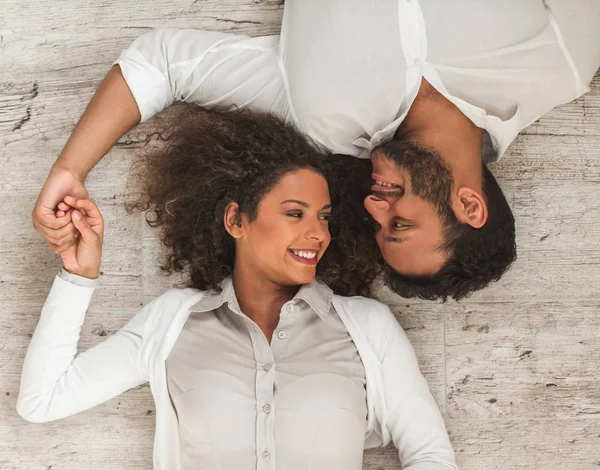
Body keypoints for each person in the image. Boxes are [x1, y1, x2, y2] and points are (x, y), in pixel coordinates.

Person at [31, 0, 600, 300]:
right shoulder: (562, 64)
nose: (374, 209)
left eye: (377, 228)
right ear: (470, 206)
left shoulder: (324, 122)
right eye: (398, 223)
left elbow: (163, 64)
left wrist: (70, 169)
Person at [17, 107, 457, 470]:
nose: (318, 234)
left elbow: (430, 454)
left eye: (323, 216)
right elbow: (42, 400)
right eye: (294, 213)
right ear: (236, 220)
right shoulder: (172, 322)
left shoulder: (366, 327)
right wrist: (78, 275)